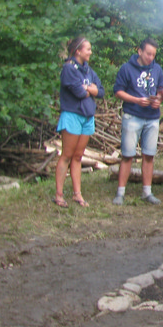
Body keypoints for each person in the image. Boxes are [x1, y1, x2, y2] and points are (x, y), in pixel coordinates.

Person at [112, 38, 163, 205]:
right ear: (140, 51)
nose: (151, 57)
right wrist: (136, 100)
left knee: (149, 155)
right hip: (133, 116)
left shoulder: (157, 69)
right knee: (127, 155)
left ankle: (147, 192)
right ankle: (120, 193)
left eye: (153, 54)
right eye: (148, 53)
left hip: (152, 117)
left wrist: (158, 100)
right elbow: (118, 91)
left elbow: (161, 90)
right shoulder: (126, 68)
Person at [54, 36, 104, 208]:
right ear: (78, 51)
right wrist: (91, 90)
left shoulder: (88, 70)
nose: (90, 52)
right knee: (67, 155)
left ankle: (77, 194)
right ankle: (59, 195)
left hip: (87, 117)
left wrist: (89, 89)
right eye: (88, 49)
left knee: (78, 156)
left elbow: (101, 91)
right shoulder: (69, 68)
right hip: (72, 115)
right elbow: (78, 92)